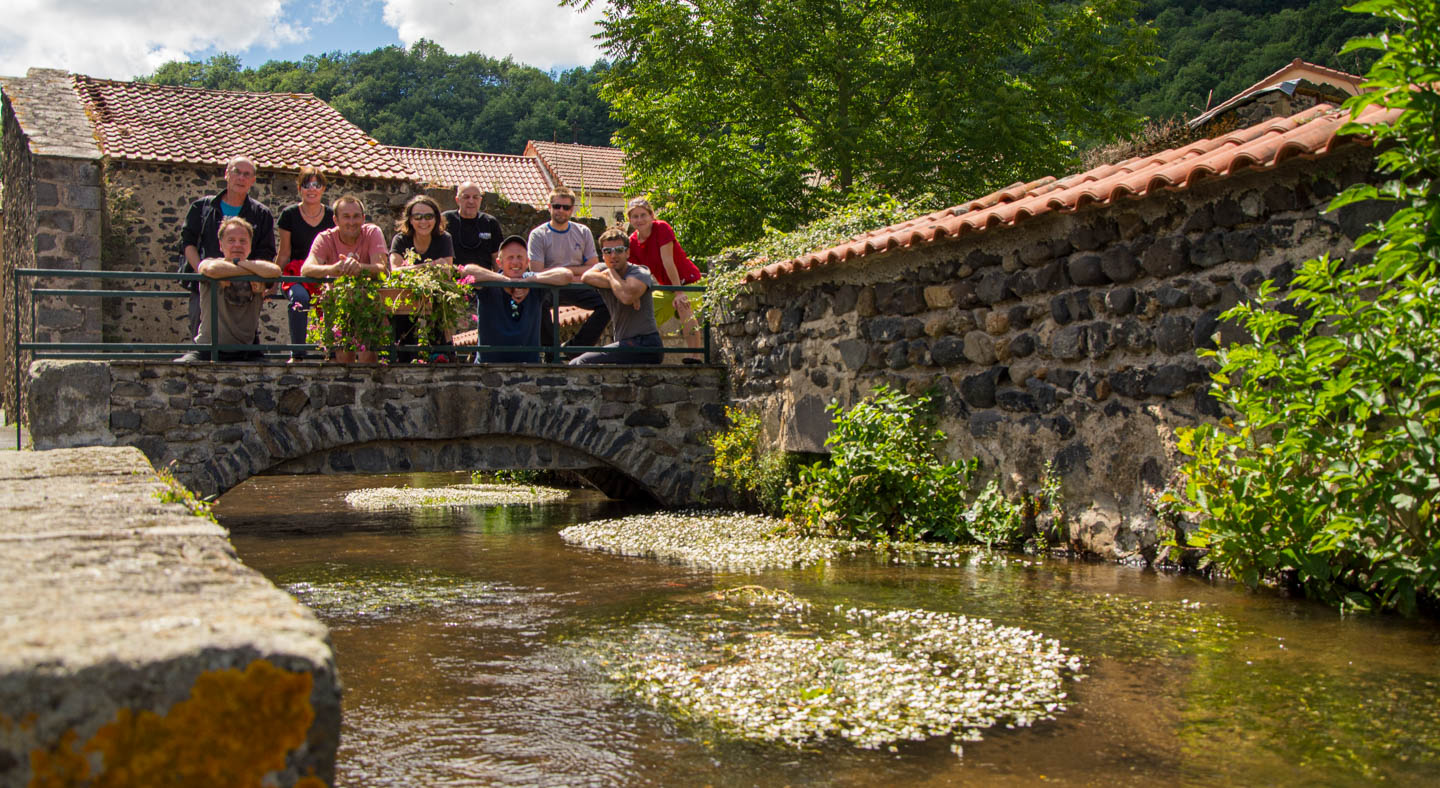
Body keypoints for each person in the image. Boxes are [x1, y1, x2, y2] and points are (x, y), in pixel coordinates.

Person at [179, 155, 276, 338]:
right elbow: (187, 243)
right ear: (226, 174)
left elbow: (266, 252)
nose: (241, 178)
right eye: (237, 172)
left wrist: (256, 278)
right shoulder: (201, 208)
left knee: (244, 339)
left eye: (247, 174)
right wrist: (204, 271)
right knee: (203, 338)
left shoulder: (262, 214)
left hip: (245, 289)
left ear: (253, 180)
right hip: (206, 285)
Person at [174, 217, 281, 363]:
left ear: (250, 246)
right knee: (180, 371)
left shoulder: (258, 268)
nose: (237, 245)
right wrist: (249, 271)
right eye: (231, 240)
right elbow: (210, 269)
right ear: (220, 245)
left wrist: (241, 265)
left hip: (247, 351)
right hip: (207, 349)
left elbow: (275, 271)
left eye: (243, 241)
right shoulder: (212, 263)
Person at [528, 186, 609, 357]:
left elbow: (593, 266)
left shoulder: (583, 231)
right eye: (557, 206)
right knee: (536, 302)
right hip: (549, 286)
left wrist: (564, 272)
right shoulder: (538, 234)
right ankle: (551, 352)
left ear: (572, 209)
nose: (561, 211)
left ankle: (576, 348)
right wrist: (569, 273)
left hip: (577, 285)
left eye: (566, 207)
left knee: (608, 304)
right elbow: (536, 271)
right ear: (549, 207)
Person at [464, 235, 573, 363]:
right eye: (510, 257)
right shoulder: (490, 282)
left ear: (527, 262)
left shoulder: (533, 282)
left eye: (520, 257)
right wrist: (507, 281)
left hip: (529, 368)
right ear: (499, 263)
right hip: (489, 367)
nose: (515, 262)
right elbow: (467, 271)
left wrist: (527, 282)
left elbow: (566, 275)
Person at [570, 228, 663, 365]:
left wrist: (611, 273)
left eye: (619, 250)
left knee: (579, 363)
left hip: (645, 344)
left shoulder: (640, 271)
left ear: (627, 252)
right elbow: (586, 277)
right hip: (625, 344)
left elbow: (626, 297)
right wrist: (619, 283)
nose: (613, 255)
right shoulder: (602, 268)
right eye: (608, 251)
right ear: (602, 255)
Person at [626, 197, 704, 356]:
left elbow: (668, 261)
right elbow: (634, 272)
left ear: (651, 216)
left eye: (643, 215)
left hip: (688, 282)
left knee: (683, 305)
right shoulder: (632, 242)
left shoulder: (662, 228)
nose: (639, 219)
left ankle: (695, 356)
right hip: (667, 287)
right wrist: (635, 297)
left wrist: (679, 292)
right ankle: (642, 354)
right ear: (630, 219)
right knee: (642, 310)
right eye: (635, 216)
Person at [275, 167, 335, 360]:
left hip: (323, 272)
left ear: (323, 188)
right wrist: (271, 282)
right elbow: (284, 252)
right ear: (300, 188)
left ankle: (331, 352)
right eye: (306, 185)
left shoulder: (332, 217)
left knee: (330, 301)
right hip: (296, 273)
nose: (312, 189)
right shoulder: (289, 215)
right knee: (299, 299)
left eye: (316, 184)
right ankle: (298, 353)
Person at [390, 195, 456, 362]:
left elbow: (446, 271)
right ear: (410, 220)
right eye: (417, 217)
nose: (423, 221)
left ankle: (440, 356)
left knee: (440, 313)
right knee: (403, 337)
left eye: (428, 216)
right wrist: (431, 265)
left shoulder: (444, 239)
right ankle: (403, 360)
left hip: (435, 297)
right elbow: (396, 272)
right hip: (405, 296)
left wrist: (411, 270)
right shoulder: (400, 240)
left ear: (436, 218)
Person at [443, 182, 503, 271]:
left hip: (485, 280)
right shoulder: (445, 220)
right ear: (457, 200)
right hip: (453, 280)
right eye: (466, 197)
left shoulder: (490, 222)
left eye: (475, 197)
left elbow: (497, 258)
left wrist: (500, 282)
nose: (471, 201)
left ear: (480, 200)